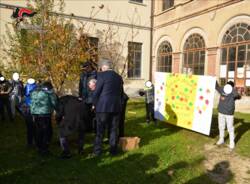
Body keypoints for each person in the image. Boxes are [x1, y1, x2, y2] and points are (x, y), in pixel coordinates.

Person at [92, 59, 123, 156]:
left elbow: (97, 91)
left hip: (103, 106)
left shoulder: (101, 75)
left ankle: (97, 151)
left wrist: (94, 104)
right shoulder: (118, 77)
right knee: (114, 129)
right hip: (116, 106)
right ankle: (113, 150)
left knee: (100, 129)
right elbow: (121, 93)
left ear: (104, 67)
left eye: (101, 68)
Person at [30, 81, 57, 155]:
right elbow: (54, 102)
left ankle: (39, 147)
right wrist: (58, 110)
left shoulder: (34, 92)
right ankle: (44, 148)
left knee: (38, 131)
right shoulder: (49, 93)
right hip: (45, 114)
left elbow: (32, 103)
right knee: (47, 131)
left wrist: (32, 113)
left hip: (35, 114)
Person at [215, 81, 241, 150]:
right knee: (221, 126)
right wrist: (214, 80)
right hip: (221, 111)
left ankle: (232, 143)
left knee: (230, 128)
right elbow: (216, 87)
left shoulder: (233, 92)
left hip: (229, 113)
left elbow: (238, 96)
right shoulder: (222, 89)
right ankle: (221, 139)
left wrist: (232, 90)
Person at [79, 60, 97, 132]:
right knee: (85, 113)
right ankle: (87, 128)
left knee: (93, 114)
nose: (85, 70)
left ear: (90, 67)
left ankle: (94, 128)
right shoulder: (83, 74)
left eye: (86, 68)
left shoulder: (95, 75)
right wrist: (80, 95)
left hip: (92, 97)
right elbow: (80, 86)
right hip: (84, 97)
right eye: (84, 69)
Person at [21, 78, 37, 147]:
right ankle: (36, 142)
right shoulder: (36, 87)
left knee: (29, 127)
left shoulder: (26, 87)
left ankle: (29, 143)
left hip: (27, 108)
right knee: (36, 127)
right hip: (35, 109)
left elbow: (24, 96)